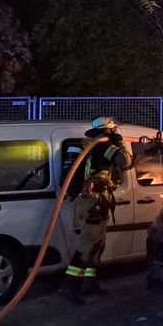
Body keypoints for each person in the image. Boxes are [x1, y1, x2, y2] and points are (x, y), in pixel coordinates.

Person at [59, 116, 132, 305]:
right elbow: (124, 160)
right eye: (114, 130)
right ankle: (69, 286)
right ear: (107, 130)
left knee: (97, 244)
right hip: (92, 201)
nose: (117, 132)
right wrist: (120, 143)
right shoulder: (101, 146)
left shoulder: (99, 147)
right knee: (88, 244)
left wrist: (151, 151)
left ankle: (90, 283)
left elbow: (129, 164)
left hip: (99, 200)